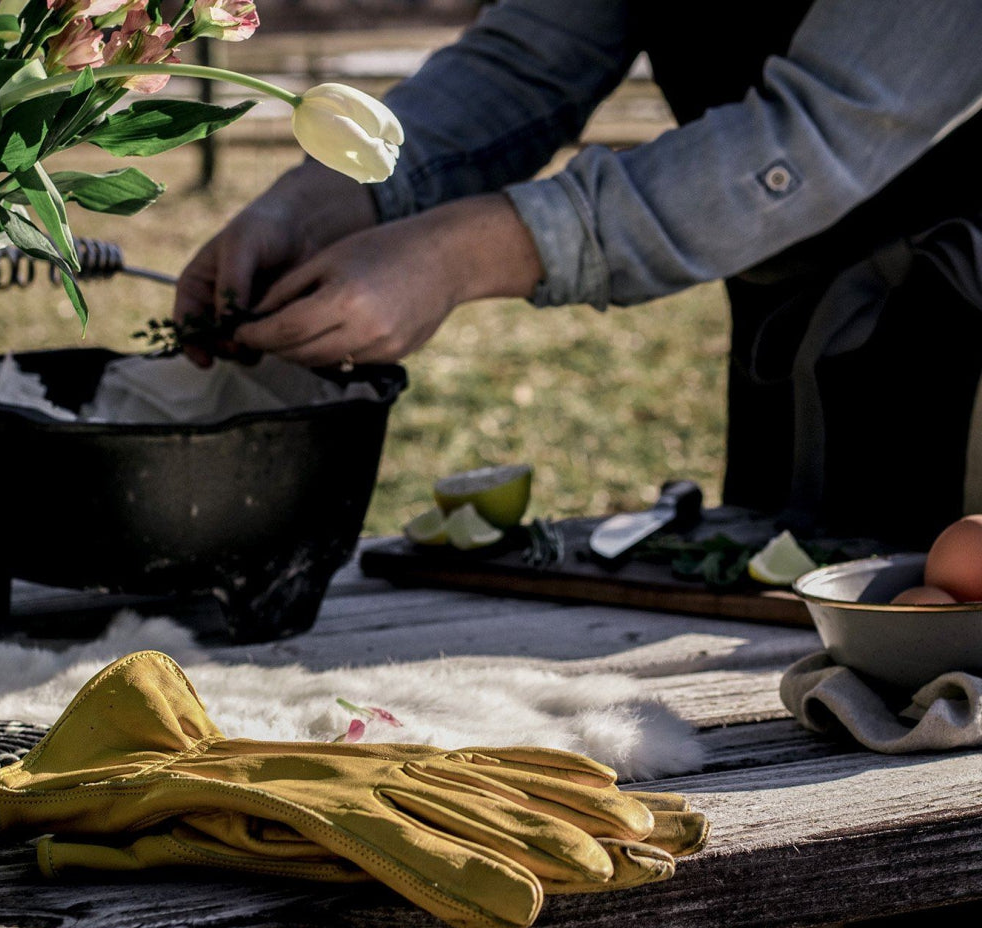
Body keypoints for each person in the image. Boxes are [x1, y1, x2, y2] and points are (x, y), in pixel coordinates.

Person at [175, 0, 982, 548]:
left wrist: (459, 253)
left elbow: (818, 134)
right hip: (793, 304)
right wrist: (326, 197)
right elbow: (527, 61)